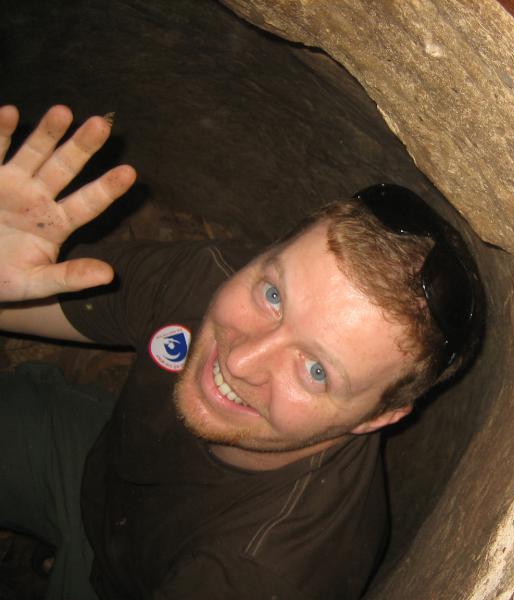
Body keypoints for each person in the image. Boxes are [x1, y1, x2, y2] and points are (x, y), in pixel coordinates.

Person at [0, 105, 485, 600]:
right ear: (262, 255)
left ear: (378, 417)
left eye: (316, 370)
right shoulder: (206, 277)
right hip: (91, 466)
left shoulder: (270, 572)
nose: (239, 361)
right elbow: (26, 298)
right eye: (274, 296)